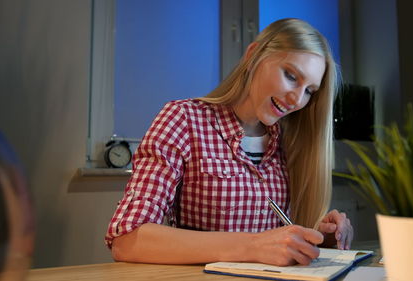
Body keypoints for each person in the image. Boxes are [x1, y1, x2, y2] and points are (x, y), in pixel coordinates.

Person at [105, 18, 353, 266]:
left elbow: (279, 240)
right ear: (253, 55)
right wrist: (254, 246)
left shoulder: (291, 143)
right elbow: (127, 239)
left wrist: (319, 239)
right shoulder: (184, 120)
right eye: (290, 75)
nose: (297, 99)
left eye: (309, 90)